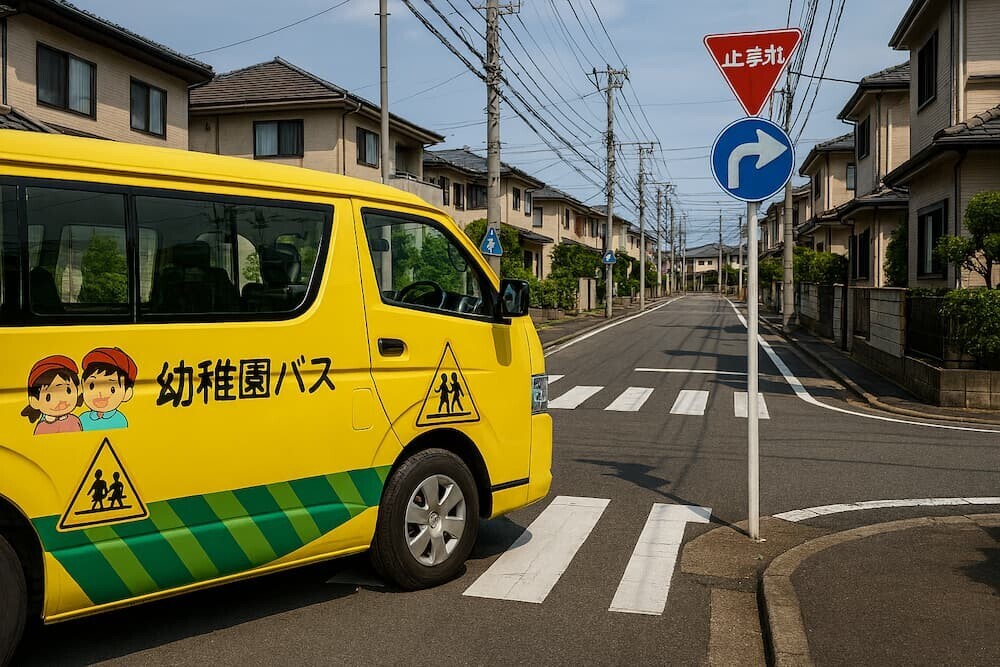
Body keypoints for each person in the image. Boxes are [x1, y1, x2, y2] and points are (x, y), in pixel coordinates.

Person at [21, 355, 84, 435]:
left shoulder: (75, 420)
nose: (61, 401)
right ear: (34, 401)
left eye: (68, 391)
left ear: (78, 390)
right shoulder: (42, 427)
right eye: (48, 397)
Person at [80, 347, 138, 431]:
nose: (100, 393)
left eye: (112, 389)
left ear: (127, 393)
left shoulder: (120, 420)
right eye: (91, 386)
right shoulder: (82, 419)